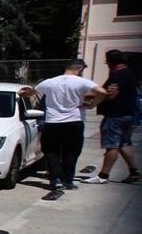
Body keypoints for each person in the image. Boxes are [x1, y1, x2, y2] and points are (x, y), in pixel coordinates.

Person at [19, 59, 107, 191]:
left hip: (53, 122)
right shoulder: (82, 82)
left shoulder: (49, 82)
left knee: (50, 152)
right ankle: (68, 181)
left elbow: (31, 92)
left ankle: (55, 180)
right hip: (74, 122)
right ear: (80, 69)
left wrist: (22, 92)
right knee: (71, 152)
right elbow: (102, 92)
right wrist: (92, 104)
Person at [84, 50, 140, 184]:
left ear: (110, 61)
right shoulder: (128, 72)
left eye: (106, 60)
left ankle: (103, 176)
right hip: (128, 114)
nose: (105, 63)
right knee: (123, 143)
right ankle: (134, 172)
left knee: (111, 145)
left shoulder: (117, 75)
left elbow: (109, 94)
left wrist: (91, 103)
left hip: (116, 115)